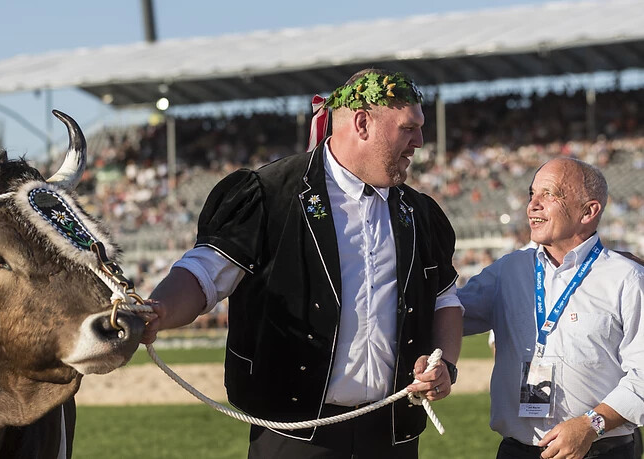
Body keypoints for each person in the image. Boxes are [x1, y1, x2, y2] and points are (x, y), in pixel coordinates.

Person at [142, 68, 463, 458]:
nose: (420, 141)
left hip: (393, 434)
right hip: (295, 434)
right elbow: (204, 274)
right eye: (408, 128)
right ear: (362, 123)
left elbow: (445, 301)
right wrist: (158, 311)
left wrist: (445, 362)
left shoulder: (421, 212)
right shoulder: (268, 194)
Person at [460, 157, 644, 459]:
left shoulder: (627, 278)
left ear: (589, 211)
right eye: (532, 193)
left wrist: (591, 425)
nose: (533, 204)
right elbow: (452, 312)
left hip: (599, 449)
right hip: (518, 450)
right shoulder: (508, 270)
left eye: (550, 194)